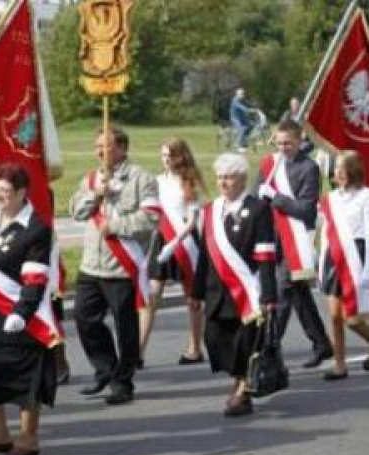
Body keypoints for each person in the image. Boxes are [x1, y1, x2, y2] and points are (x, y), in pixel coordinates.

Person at [0, 164, 60, 455]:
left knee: (24, 378)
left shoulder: (35, 229)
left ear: (22, 193)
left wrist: (21, 311)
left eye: (6, 191)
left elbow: (35, 278)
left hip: (20, 314)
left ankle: (28, 439)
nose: (0, 197)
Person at [70, 126, 158, 405]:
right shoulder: (92, 178)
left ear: (121, 147)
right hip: (91, 265)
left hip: (121, 267)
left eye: (106, 146)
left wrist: (116, 225)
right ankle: (105, 369)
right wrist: (95, 194)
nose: (99, 151)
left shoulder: (141, 178)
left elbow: (152, 219)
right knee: (84, 319)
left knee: (125, 327)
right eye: (97, 146)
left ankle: (123, 382)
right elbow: (76, 211)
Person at [191, 153, 277, 417]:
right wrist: (196, 291)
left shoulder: (259, 209)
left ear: (241, 180)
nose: (223, 183)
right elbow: (205, 254)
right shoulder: (210, 210)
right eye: (219, 177)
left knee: (245, 343)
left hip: (247, 291)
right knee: (215, 339)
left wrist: (269, 294)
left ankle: (243, 389)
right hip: (217, 289)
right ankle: (239, 379)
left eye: (228, 177)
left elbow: (265, 254)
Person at [254, 119, 333, 368]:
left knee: (283, 291)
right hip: (271, 237)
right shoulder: (269, 164)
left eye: (288, 143)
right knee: (298, 294)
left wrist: (275, 197)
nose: (283, 148)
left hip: (296, 239)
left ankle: (269, 348)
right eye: (278, 143)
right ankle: (321, 344)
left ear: (300, 140)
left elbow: (306, 209)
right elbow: (256, 196)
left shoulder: (309, 168)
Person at [140, 138, 206, 367]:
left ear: (180, 156)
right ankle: (138, 351)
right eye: (163, 155)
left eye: (170, 155)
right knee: (151, 296)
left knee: (192, 299)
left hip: (185, 242)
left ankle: (195, 347)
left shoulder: (189, 182)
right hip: (162, 241)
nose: (166, 160)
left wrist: (175, 242)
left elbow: (192, 221)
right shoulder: (156, 182)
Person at [317, 151, 369, 380]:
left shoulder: (366, 196)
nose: (339, 173)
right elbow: (324, 234)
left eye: (344, 168)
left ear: (354, 170)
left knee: (354, 318)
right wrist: (320, 265)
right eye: (336, 168)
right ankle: (340, 365)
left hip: (357, 257)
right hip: (333, 258)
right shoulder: (330, 199)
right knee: (335, 315)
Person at [229, 88, 254, 153]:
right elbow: (241, 107)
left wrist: (254, 107)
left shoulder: (242, 100)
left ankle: (244, 139)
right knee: (241, 129)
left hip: (242, 117)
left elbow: (248, 104)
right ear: (237, 94)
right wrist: (249, 110)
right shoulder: (235, 100)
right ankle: (238, 146)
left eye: (243, 94)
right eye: (241, 94)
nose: (242, 95)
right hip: (235, 118)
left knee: (251, 125)